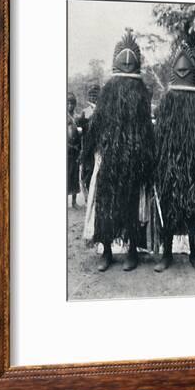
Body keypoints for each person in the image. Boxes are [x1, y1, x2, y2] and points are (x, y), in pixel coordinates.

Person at [82, 30, 154, 272]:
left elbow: (146, 130)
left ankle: (133, 251)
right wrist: (95, 154)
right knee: (106, 206)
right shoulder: (108, 93)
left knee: (132, 206)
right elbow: (97, 126)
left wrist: (144, 158)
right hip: (109, 159)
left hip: (133, 161)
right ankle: (107, 252)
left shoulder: (141, 94)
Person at [154, 41, 195, 273]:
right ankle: (166, 254)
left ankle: (194, 255)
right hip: (169, 166)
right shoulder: (167, 102)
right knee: (169, 210)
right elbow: (160, 135)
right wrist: (160, 165)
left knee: (193, 211)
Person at [79, 83, 100, 195]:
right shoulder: (85, 111)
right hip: (88, 144)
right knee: (88, 169)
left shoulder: (102, 109)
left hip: (99, 144)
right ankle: (88, 192)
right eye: (91, 96)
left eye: (95, 96)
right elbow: (81, 128)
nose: (93, 98)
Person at [67, 92, 81, 209]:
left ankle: (74, 201)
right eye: (68, 103)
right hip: (66, 150)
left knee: (75, 175)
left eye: (72, 103)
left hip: (76, 151)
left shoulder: (77, 117)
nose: (70, 105)